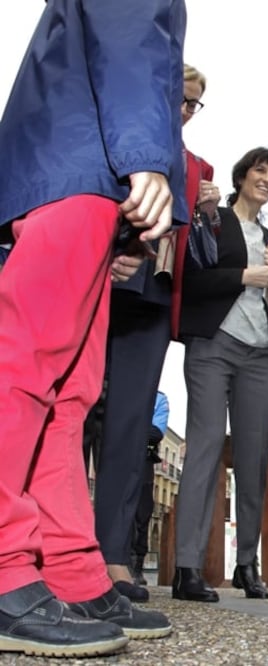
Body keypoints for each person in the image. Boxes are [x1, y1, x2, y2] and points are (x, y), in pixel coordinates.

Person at [0, 0, 182, 656]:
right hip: (80, 158)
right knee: (26, 368)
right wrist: (143, 158)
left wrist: (129, 219)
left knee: (70, 391)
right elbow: (128, 34)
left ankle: (69, 564)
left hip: (87, 167)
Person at [91, 62, 221, 605]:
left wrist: (211, 216)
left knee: (129, 427)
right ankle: (47, 549)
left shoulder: (196, 166)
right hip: (94, 283)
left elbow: (200, 251)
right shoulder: (107, 131)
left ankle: (111, 555)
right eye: (181, 97)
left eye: (195, 103)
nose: (185, 109)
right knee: (69, 417)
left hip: (150, 294)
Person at [172, 147, 268, 603]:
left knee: (254, 458)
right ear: (242, 176)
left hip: (259, 354)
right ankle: (188, 567)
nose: (267, 178)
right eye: (260, 170)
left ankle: (246, 564)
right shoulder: (213, 219)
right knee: (203, 450)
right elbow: (193, 279)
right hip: (213, 346)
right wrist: (244, 274)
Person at [130, 391, 170, 587]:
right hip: (119, 459)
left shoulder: (159, 399)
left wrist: (129, 427)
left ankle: (136, 567)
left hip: (144, 462)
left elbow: (156, 434)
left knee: (141, 514)